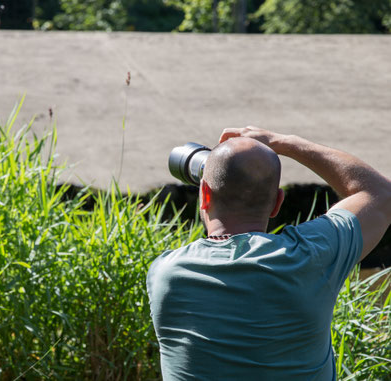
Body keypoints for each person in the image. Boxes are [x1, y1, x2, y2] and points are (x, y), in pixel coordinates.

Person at [147, 126, 391, 380]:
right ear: (277, 203)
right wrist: (285, 142)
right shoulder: (310, 257)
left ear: (205, 194)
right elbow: (381, 193)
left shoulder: (166, 274)